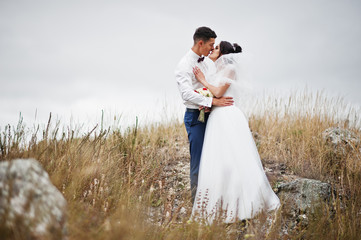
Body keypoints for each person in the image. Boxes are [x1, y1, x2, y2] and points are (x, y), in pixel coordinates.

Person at [191, 41, 280, 223]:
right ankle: (221, 204)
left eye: (216, 48)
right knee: (218, 159)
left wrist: (202, 80)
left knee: (235, 158)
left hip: (227, 116)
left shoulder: (230, 69)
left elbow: (217, 92)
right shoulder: (215, 71)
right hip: (216, 117)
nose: (212, 50)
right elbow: (212, 94)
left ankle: (244, 204)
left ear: (223, 53)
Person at [175, 27, 234, 204]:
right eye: (211, 44)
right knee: (198, 163)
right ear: (201, 43)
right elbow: (186, 94)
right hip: (196, 118)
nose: (212, 48)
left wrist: (212, 102)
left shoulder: (206, 63)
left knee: (214, 159)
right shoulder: (184, 65)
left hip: (212, 116)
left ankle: (216, 200)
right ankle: (197, 206)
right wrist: (212, 102)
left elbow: (211, 86)